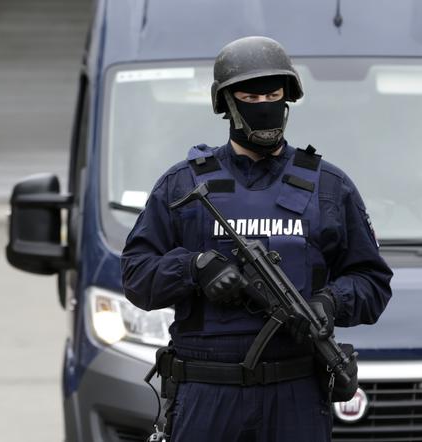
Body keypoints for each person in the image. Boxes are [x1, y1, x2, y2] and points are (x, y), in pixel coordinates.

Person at [120, 36, 393, 442]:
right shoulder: (184, 184)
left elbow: (372, 281)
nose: (264, 104)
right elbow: (136, 275)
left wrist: (330, 302)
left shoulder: (328, 187)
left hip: (296, 394)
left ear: (287, 98)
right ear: (228, 104)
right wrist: (195, 268)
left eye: (273, 94)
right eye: (250, 96)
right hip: (207, 392)